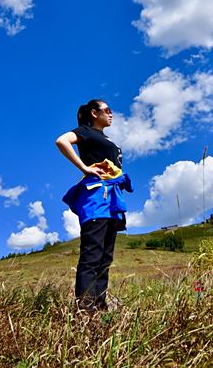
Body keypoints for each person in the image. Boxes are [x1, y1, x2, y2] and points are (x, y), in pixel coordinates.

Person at [55, 99, 128, 311]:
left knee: (105, 257)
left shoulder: (106, 139)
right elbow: (61, 141)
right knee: (92, 254)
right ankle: (85, 311)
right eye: (107, 110)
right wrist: (84, 167)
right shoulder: (85, 131)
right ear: (94, 113)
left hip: (112, 200)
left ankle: (100, 305)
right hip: (96, 198)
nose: (111, 114)